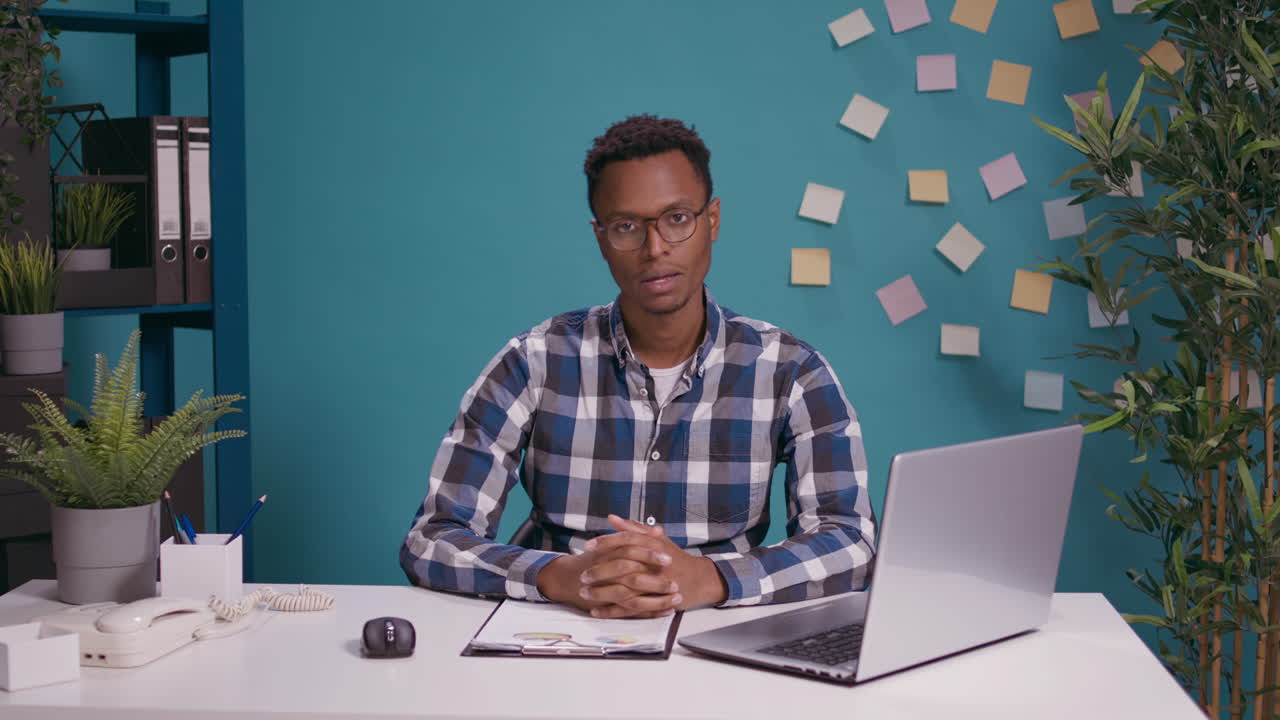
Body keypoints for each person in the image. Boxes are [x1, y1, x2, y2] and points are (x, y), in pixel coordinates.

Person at [400, 115, 875, 618]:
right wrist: (556, 574)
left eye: (676, 219)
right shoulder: (533, 362)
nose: (655, 249)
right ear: (601, 238)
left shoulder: (791, 371)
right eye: (627, 227)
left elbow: (850, 543)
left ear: (711, 220)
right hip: (556, 634)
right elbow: (431, 540)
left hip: (714, 637)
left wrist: (712, 578)